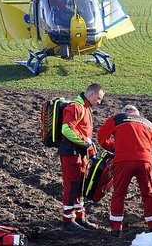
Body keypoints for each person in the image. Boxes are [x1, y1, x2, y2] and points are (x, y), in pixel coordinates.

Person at [98, 104, 152, 236]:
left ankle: (116, 228)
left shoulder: (118, 118)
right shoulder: (149, 124)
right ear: (137, 114)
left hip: (123, 160)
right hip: (144, 160)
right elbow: (151, 144)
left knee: (119, 193)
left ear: (125, 112)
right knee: (148, 193)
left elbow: (102, 136)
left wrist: (114, 148)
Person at [59, 83, 104, 231]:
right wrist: (86, 143)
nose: (99, 102)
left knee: (79, 186)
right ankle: (68, 220)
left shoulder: (85, 108)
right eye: (99, 98)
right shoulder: (76, 107)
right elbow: (66, 129)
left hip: (79, 153)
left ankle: (79, 217)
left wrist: (88, 148)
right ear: (91, 94)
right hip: (71, 153)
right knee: (72, 186)